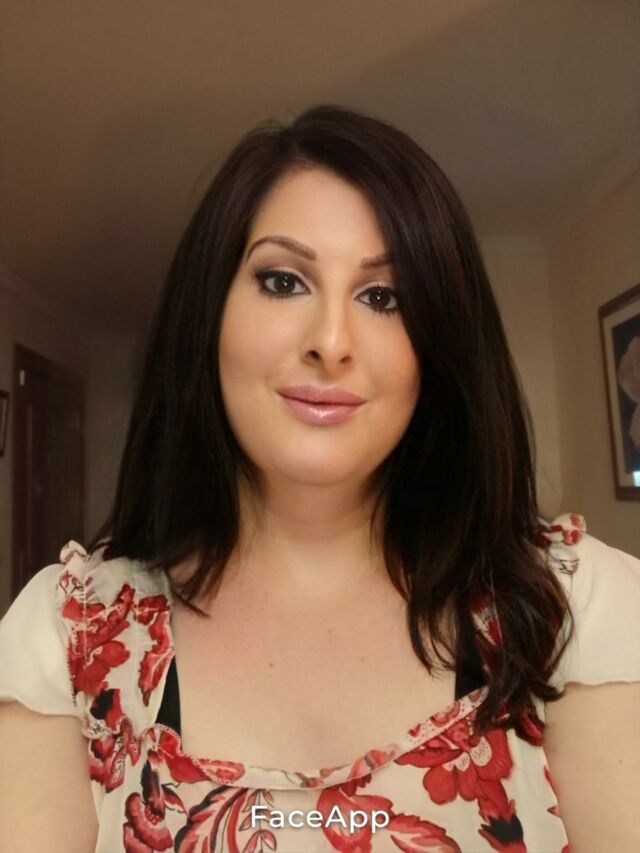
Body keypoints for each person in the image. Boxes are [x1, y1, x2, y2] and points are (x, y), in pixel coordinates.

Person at [1, 104, 639, 853]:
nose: (331, 342)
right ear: (209, 314)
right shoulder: (68, 638)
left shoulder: (572, 612)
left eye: (383, 297)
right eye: (282, 281)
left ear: (437, 348)